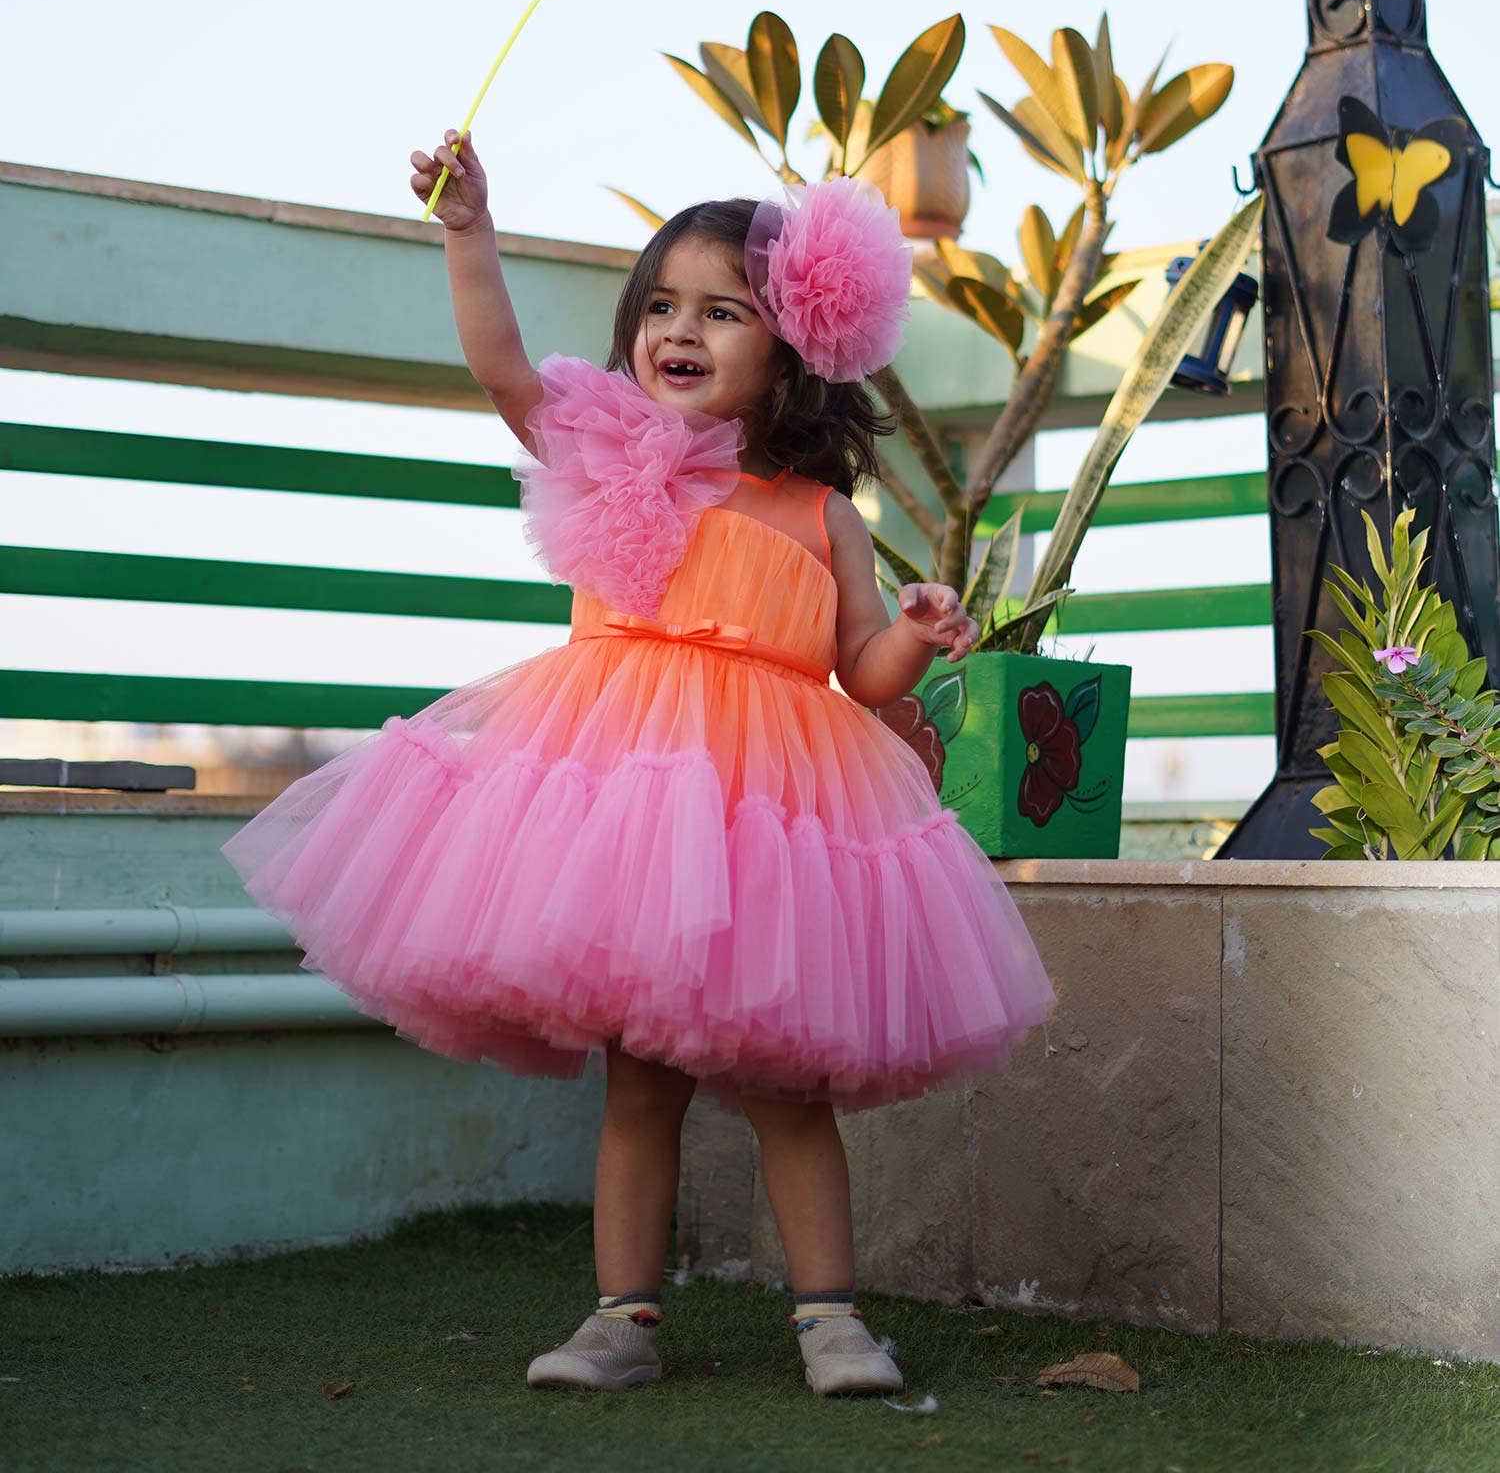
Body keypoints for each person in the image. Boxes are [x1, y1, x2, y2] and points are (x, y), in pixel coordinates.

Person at [221, 130, 1056, 1398]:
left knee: (788, 1084)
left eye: (723, 310)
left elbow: (857, 667)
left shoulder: (820, 512)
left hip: (768, 813)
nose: (681, 327)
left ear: (790, 345)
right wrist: (468, 232)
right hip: (622, 809)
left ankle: (831, 1318)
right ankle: (623, 1317)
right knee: (640, 1083)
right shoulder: (611, 452)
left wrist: (915, 634)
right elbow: (502, 366)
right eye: (661, 304)